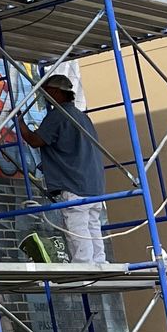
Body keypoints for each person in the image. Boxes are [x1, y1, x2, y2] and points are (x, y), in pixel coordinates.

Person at [16, 74, 110, 263]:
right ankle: (99, 261)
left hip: (74, 184)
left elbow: (35, 141)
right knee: (92, 226)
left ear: (57, 92)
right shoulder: (83, 117)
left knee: (78, 226)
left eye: (47, 92)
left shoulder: (58, 116)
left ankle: (83, 264)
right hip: (93, 184)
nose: (44, 96)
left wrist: (19, 124)